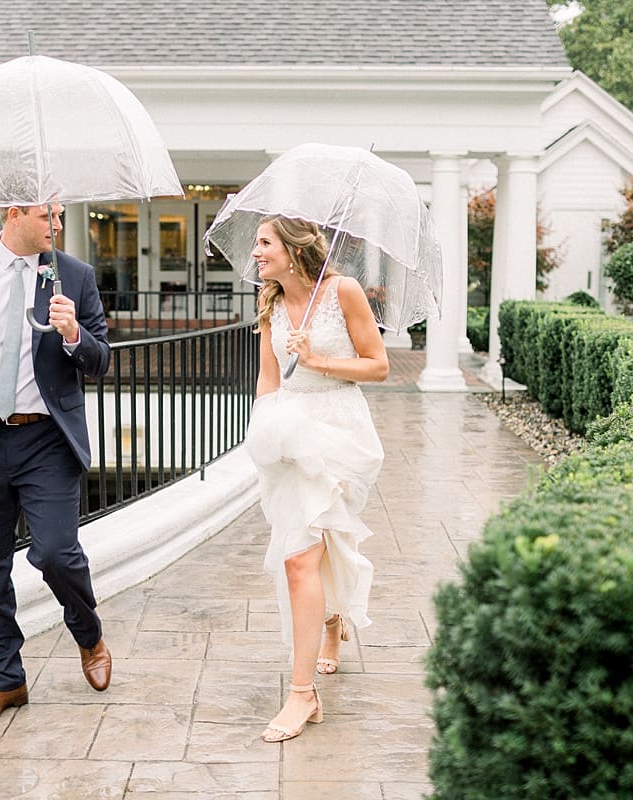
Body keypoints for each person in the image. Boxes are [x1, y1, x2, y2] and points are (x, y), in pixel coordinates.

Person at [0, 196, 114, 727]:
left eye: (59, 214)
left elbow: (101, 361)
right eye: (47, 215)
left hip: (46, 441)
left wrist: (74, 334)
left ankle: (89, 634)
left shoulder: (74, 276)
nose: (58, 223)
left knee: (56, 552)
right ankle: (3, 680)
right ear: (13, 214)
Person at [245, 215, 389, 743]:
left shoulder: (343, 291)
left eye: (265, 243)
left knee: (301, 557)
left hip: (339, 433)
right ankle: (329, 623)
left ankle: (302, 693)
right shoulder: (269, 303)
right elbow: (269, 378)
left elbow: (378, 366)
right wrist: (263, 428)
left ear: (294, 248)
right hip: (289, 431)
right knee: (302, 551)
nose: (256, 252)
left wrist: (318, 359)